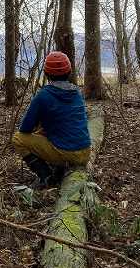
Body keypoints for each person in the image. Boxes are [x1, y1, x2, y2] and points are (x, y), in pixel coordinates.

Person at [13, 51, 91, 188]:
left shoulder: (43, 96)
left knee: (18, 139)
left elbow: (25, 128)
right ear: (69, 72)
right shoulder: (76, 93)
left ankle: (46, 177)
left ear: (47, 73)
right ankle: (59, 169)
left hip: (66, 153)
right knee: (44, 132)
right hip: (85, 152)